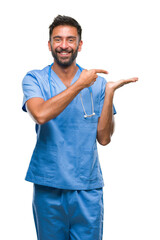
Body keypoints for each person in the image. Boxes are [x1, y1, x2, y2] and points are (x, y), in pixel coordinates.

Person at [22, 15, 138, 240]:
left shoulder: (98, 84)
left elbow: (104, 139)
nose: (64, 45)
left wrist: (109, 92)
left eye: (70, 40)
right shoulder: (34, 79)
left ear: (79, 45)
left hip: (87, 187)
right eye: (58, 39)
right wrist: (79, 85)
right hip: (49, 185)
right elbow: (40, 114)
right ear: (49, 45)